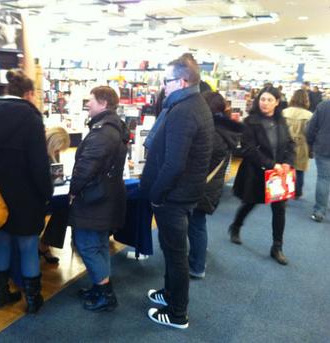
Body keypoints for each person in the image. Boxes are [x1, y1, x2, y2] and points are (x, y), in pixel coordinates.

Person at [0, 69, 52, 314]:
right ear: (29, 93)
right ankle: (33, 300)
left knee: (1, 242)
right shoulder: (31, 118)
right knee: (27, 245)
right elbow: (39, 164)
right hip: (26, 195)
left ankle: (0, 296)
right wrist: (46, 192)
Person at [141, 57, 214, 329]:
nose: (163, 86)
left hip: (174, 195)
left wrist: (157, 194)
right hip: (182, 192)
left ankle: (176, 313)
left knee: (175, 253)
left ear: (182, 82)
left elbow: (174, 163)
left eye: (166, 81)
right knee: (172, 249)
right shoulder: (191, 103)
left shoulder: (184, 110)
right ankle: (169, 294)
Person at [69, 86, 129, 312]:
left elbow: (86, 168)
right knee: (99, 244)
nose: (87, 104)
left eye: (91, 100)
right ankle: (100, 285)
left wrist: (73, 190)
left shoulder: (103, 132)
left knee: (88, 245)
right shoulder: (112, 128)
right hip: (106, 196)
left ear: (103, 103)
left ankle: (105, 294)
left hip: (95, 199)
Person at [229, 86, 295, 265]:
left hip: (278, 174)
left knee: (279, 210)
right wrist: (272, 164)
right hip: (256, 172)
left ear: (277, 102)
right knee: (250, 203)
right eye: (263, 99)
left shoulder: (281, 121)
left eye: (269, 100)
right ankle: (236, 226)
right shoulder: (250, 121)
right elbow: (249, 150)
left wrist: (288, 162)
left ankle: (277, 247)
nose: (265, 103)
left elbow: (290, 144)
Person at [188, 91, 244, 279]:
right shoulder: (225, 130)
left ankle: (197, 265)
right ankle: (199, 254)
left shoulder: (211, 132)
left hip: (200, 186)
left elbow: (196, 160)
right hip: (211, 185)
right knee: (197, 223)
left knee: (196, 224)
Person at [306, 79, 330, 222]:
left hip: (323, 147)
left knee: (323, 178)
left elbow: (311, 128)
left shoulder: (323, 106)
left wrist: (309, 143)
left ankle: (319, 211)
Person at [39, 126, 70, 264]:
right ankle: (43, 245)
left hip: (47, 193)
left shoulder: (51, 153)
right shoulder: (37, 151)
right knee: (62, 207)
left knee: (64, 206)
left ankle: (45, 244)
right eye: (57, 149)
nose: (57, 152)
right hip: (35, 196)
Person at [282, 90, 313, 198]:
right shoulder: (309, 115)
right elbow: (311, 133)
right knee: (299, 170)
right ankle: (297, 192)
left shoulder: (284, 112)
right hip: (301, 144)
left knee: (285, 168)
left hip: (285, 144)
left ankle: (283, 191)